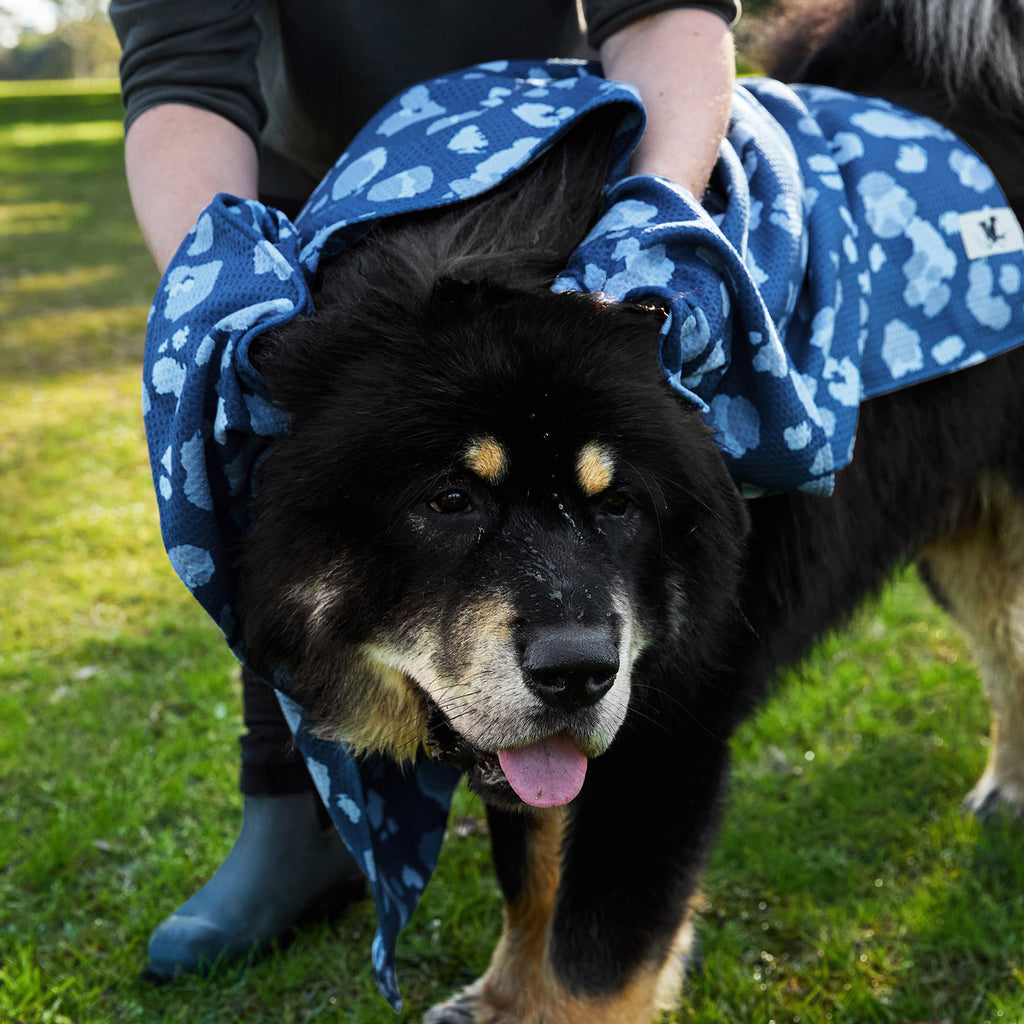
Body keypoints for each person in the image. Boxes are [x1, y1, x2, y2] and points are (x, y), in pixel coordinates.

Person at [109, 0, 741, 980]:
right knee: (302, 510)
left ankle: (581, 900)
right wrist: (218, 286)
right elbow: (182, 65)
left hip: (560, 172)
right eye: (455, 503)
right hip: (297, 193)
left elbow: (665, 11)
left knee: (571, 528)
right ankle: (297, 814)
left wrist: (653, 213)